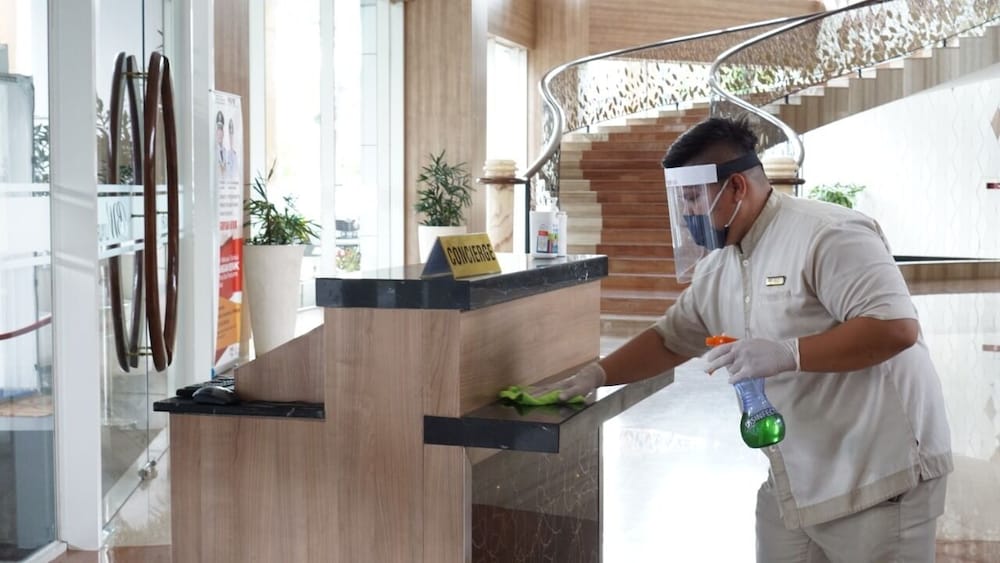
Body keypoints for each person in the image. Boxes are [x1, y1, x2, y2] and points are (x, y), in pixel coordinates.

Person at [535, 116, 953, 562]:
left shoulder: (829, 234)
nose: (687, 214)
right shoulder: (719, 265)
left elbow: (894, 328)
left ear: (736, 187)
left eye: (693, 197)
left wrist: (789, 353)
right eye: (682, 200)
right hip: (795, 477)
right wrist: (597, 374)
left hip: (879, 477)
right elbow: (671, 338)